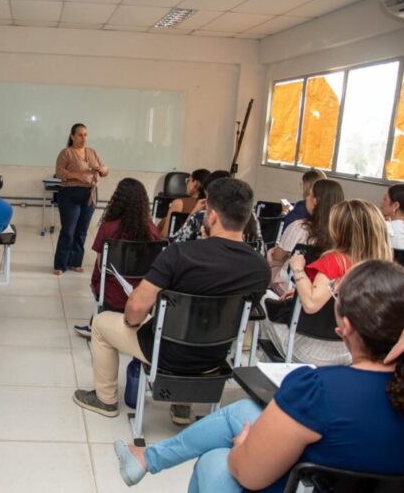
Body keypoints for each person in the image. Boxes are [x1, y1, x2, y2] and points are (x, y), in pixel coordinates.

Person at [113, 260, 404, 493]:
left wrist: (243, 447)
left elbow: (249, 475)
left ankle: (148, 458)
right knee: (243, 411)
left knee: (215, 460)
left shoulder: (316, 390)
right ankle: (146, 458)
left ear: (345, 328)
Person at [72, 178, 270, 420]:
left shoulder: (181, 254)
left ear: (213, 216)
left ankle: (106, 399)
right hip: (215, 359)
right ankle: (182, 407)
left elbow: (136, 307)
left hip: (166, 353)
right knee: (199, 327)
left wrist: (133, 324)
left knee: (101, 324)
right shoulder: (260, 268)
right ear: (247, 216)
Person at [263, 199, 393, 365]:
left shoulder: (337, 261)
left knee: (263, 297)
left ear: (342, 230)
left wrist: (297, 269)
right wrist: (298, 294)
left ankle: (269, 369)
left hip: (315, 351)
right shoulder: (381, 266)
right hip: (355, 350)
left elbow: (311, 304)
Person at [73, 178, 160, 339]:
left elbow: (101, 265)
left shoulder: (108, 228)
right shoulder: (152, 230)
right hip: (142, 293)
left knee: (100, 276)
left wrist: (95, 283)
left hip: (112, 292)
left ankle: (95, 324)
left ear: (117, 201)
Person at [266, 179, 344, 294]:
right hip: (325, 292)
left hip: (291, 287)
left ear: (316, 201)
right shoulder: (343, 233)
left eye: (309, 195)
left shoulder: (299, 228)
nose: (306, 198)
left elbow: (277, 258)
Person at [53, 123, 108, 275]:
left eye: (85, 134)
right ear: (72, 136)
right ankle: (60, 265)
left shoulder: (92, 152)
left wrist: (104, 170)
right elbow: (59, 172)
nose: (83, 138)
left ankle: (75, 262)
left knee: (82, 231)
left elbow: (103, 169)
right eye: (80, 135)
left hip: (89, 195)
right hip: (70, 194)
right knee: (69, 231)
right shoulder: (66, 153)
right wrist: (77, 175)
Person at [172, 170, 264, 254]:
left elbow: (173, 245)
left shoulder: (200, 218)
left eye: (207, 196)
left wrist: (193, 213)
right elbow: (261, 250)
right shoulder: (251, 216)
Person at [157, 168, 209, 238]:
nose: (186, 184)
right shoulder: (210, 205)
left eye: (188, 180)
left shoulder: (178, 203)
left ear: (195, 183)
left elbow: (165, 235)